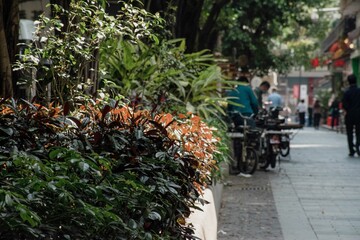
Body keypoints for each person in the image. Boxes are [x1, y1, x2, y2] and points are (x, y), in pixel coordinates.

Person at [227, 75, 259, 177]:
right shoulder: (248, 89)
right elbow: (254, 102)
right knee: (251, 133)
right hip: (248, 115)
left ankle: (237, 157)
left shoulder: (233, 91)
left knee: (238, 136)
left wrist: (230, 115)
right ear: (246, 82)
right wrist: (256, 113)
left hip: (237, 116)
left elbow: (229, 105)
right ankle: (251, 148)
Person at [342, 74, 360, 157]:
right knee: (358, 132)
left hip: (349, 115)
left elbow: (344, 105)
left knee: (349, 133)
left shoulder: (346, 92)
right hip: (359, 115)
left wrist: (348, 109)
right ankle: (358, 145)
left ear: (348, 82)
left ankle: (351, 150)